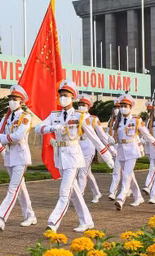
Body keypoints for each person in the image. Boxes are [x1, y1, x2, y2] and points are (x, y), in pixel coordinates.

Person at [34, 80, 105, 232]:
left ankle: (53, 222)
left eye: (66, 95)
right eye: (61, 95)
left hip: (73, 157)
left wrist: (107, 155)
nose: (62, 98)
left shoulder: (80, 116)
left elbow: (93, 137)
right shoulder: (54, 115)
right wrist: (52, 127)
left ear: (73, 98)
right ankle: (87, 221)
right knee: (75, 193)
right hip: (60, 157)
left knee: (64, 192)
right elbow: (38, 128)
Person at [0, 85, 37, 230]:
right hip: (10, 156)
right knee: (20, 188)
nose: (11, 101)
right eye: (10, 99)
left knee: (13, 188)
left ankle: (1, 216)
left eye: (15, 99)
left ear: (22, 102)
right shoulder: (7, 117)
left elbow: (17, 137)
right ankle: (30, 215)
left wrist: (2, 138)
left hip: (20, 156)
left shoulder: (25, 117)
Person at [111, 94, 155, 210]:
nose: (123, 108)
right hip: (121, 150)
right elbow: (115, 137)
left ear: (130, 107)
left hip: (132, 150)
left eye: (125, 106)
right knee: (129, 175)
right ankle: (138, 197)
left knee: (126, 175)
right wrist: (111, 140)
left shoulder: (136, 120)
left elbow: (146, 134)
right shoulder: (117, 122)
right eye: (121, 106)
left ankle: (121, 198)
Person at [75, 95, 114, 203]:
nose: (81, 107)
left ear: (88, 107)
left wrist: (111, 149)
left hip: (89, 146)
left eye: (84, 105)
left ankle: (79, 198)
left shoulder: (93, 119)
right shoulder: (75, 116)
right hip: (77, 146)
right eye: (80, 104)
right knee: (87, 172)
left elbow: (101, 135)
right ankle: (97, 193)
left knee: (82, 172)